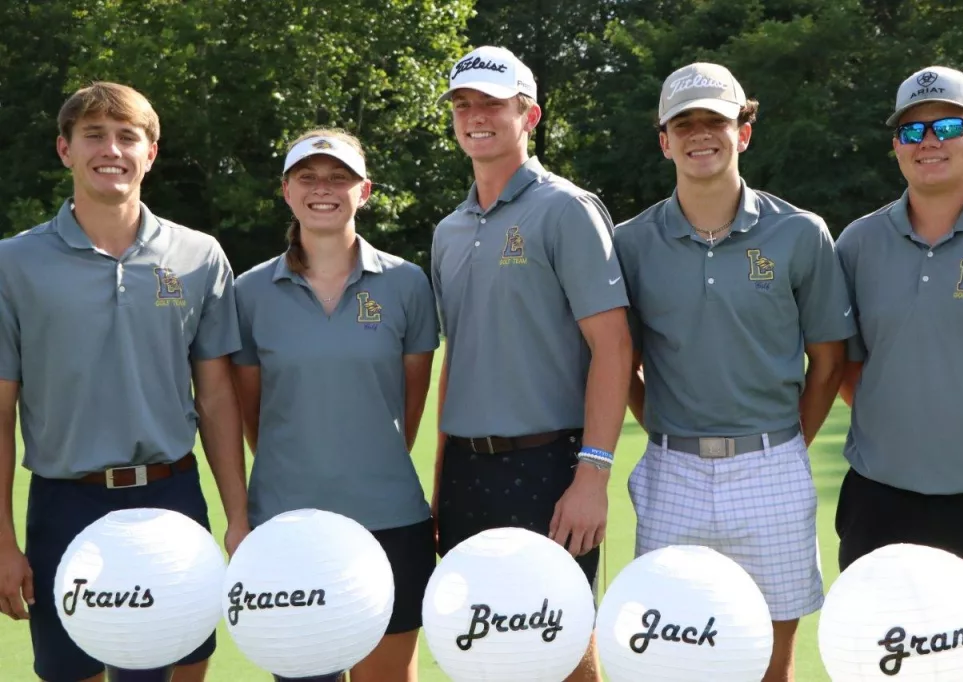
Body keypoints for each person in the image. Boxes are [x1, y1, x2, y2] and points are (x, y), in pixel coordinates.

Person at [612, 62, 854, 682]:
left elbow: (829, 360)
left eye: (715, 121)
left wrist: (786, 443)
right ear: (664, 141)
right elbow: (619, 362)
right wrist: (661, 424)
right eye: (683, 124)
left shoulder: (800, 232)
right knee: (670, 657)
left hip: (772, 466)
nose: (700, 134)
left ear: (742, 132)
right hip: (672, 470)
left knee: (771, 660)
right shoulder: (630, 243)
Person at [0, 82, 249, 682]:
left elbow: (217, 399)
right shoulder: (13, 263)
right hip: (65, 503)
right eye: (93, 135)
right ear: (65, 149)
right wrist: (2, 541)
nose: (111, 150)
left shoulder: (198, 255)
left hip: (171, 498)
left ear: (150, 153)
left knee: (178, 668)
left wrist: (238, 518)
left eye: (126, 137)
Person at [430, 45, 632, 681]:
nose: (475, 116)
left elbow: (614, 347)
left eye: (492, 104)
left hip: (550, 466)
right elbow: (458, 357)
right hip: (467, 470)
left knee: (562, 648)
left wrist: (592, 476)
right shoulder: (449, 229)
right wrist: (440, 480)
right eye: (463, 104)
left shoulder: (566, 209)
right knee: (482, 651)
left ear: (530, 115)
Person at [836, 65, 963, 681]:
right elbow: (849, 366)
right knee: (881, 667)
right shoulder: (857, 244)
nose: (928, 142)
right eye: (911, 131)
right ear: (896, 146)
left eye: (947, 126)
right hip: (884, 503)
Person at [230, 128, 439, 682]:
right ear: (287, 191)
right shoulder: (248, 293)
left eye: (339, 177)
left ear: (364, 191)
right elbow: (253, 413)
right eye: (308, 177)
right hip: (287, 524)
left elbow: (409, 405)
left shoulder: (407, 283)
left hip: (390, 519)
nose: (323, 188)